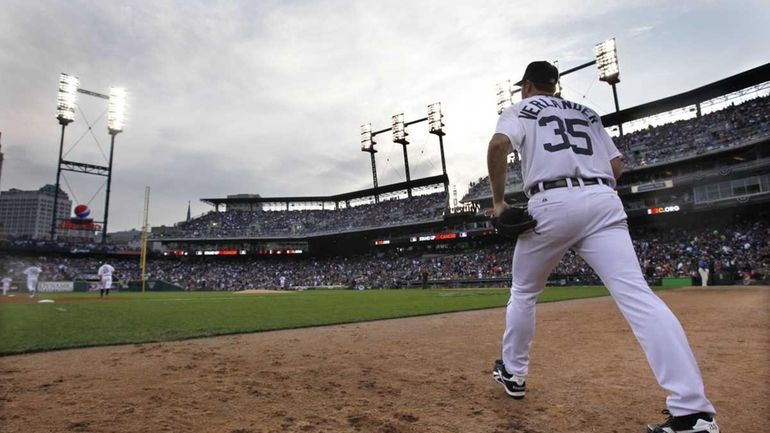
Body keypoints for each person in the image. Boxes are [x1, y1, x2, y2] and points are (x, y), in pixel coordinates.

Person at [487, 61, 719, 433]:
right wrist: (590, 189)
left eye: (523, 87)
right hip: (602, 199)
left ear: (528, 86)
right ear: (556, 84)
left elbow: (499, 145)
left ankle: (513, 374)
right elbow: (615, 165)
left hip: (550, 203)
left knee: (525, 292)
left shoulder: (519, 109)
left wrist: (499, 203)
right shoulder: (587, 111)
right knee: (639, 298)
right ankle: (693, 411)